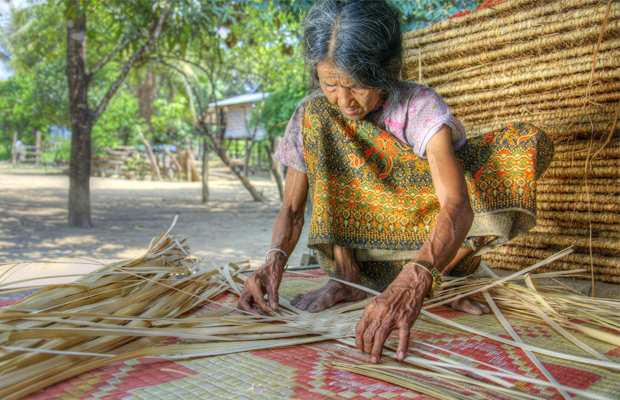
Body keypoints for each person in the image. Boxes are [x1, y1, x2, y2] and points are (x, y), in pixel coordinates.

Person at [238, 0, 553, 364]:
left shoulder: (419, 106)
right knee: (316, 113)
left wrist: (419, 278)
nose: (344, 101)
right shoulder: (319, 112)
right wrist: (273, 261)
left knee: (524, 146)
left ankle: (441, 278)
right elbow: (292, 210)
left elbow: (456, 206)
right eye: (330, 84)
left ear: (386, 70)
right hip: (365, 258)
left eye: (356, 85)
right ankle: (345, 276)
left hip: (431, 253)